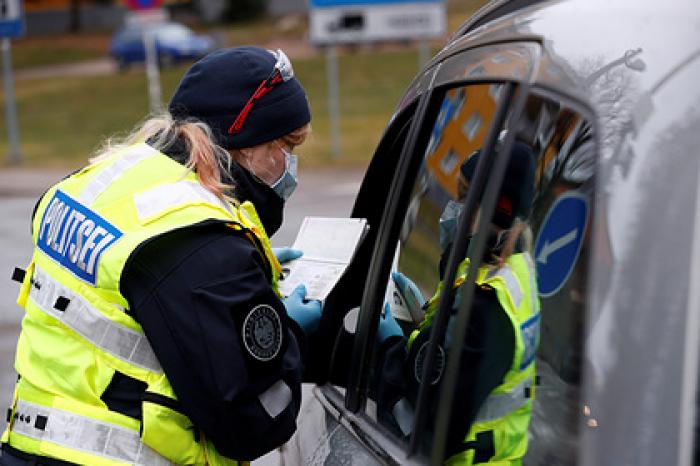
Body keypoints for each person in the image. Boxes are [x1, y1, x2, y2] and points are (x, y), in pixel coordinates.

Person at [0, 46, 322, 466]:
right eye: (284, 145)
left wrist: (238, 278)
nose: (288, 163)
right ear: (245, 144)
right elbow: (255, 422)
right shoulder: (201, 245)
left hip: (30, 448)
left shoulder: (107, 179)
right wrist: (286, 329)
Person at [375, 141, 540, 465]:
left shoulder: (486, 307)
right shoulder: (508, 271)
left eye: (464, 196)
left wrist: (389, 345)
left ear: (492, 208)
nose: (453, 206)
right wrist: (428, 323)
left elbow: (428, 429)